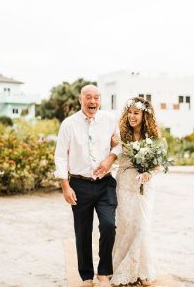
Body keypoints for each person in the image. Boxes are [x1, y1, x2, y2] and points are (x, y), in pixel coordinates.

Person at [54, 85, 121, 287]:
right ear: (80, 100)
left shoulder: (109, 119)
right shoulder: (69, 124)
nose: (93, 101)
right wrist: (65, 186)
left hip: (105, 184)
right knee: (82, 232)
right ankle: (86, 277)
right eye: (88, 97)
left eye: (96, 98)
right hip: (79, 184)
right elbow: (60, 156)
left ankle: (104, 272)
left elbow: (119, 144)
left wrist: (110, 159)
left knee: (109, 225)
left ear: (100, 100)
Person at [110, 97, 160, 286]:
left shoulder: (152, 138)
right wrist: (112, 144)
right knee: (125, 225)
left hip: (144, 188)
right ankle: (121, 268)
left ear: (144, 115)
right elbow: (114, 155)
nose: (131, 116)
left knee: (142, 225)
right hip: (124, 185)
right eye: (129, 112)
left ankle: (142, 271)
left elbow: (158, 164)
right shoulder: (121, 134)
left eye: (136, 113)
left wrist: (148, 173)